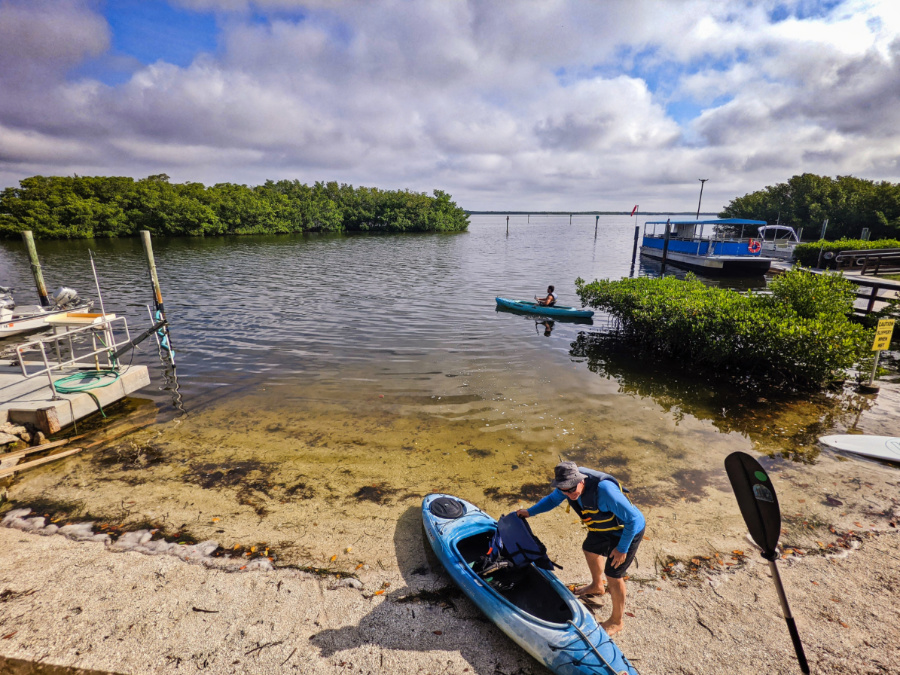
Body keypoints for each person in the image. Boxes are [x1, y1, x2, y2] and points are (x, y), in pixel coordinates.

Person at [516, 461, 645, 636]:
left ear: (581, 480)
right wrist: (530, 512)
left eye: (571, 489)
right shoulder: (566, 485)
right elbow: (553, 500)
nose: (569, 493)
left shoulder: (606, 492)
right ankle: (597, 586)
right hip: (604, 527)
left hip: (627, 531)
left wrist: (622, 548)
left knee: (613, 573)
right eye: (564, 490)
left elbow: (634, 520)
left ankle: (617, 621)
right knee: (589, 549)